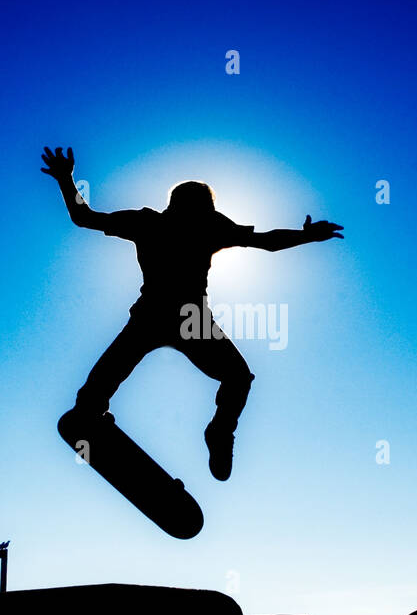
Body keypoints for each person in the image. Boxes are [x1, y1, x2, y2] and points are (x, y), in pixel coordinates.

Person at [41, 146, 343, 480]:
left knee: (110, 377)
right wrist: (306, 236)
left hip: (155, 315)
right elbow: (266, 242)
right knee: (238, 377)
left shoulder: (151, 222)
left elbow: (85, 217)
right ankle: (218, 431)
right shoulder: (204, 225)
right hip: (187, 319)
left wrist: (66, 180)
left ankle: (92, 408)